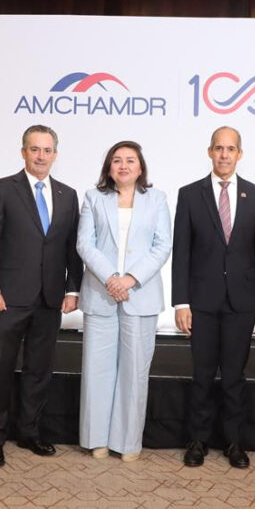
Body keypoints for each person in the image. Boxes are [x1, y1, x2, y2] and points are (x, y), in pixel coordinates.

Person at [0, 124, 83, 467]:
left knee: (39, 370)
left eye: (47, 150)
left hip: (49, 299)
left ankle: (29, 432)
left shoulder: (68, 195)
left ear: (55, 154)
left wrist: (72, 288)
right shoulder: (2, 188)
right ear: (23, 152)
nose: (41, 156)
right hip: (8, 298)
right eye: (34, 149)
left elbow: (72, 247)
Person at [172, 126, 255, 469]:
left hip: (242, 302)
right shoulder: (190, 194)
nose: (224, 155)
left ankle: (234, 442)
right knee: (202, 375)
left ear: (239, 154)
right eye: (219, 148)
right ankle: (197, 440)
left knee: (234, 376)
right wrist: (181, 302)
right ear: (209, 152)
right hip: (201, 302)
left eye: (231, 149)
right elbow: (182, 252)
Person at [77, 140, 172, 462]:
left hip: (140, 295)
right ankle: (96, 439)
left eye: (130, 160)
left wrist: (130, 279)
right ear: (109, 167)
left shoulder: (157, 199)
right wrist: (111, 279)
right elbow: (85, 244)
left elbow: (162, 246)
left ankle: (127, 442)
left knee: (134, 372)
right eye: (117, 160)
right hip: (101, 293)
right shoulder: (93, 198)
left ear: (140, 167)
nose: (123, 165)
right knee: (97, 370)